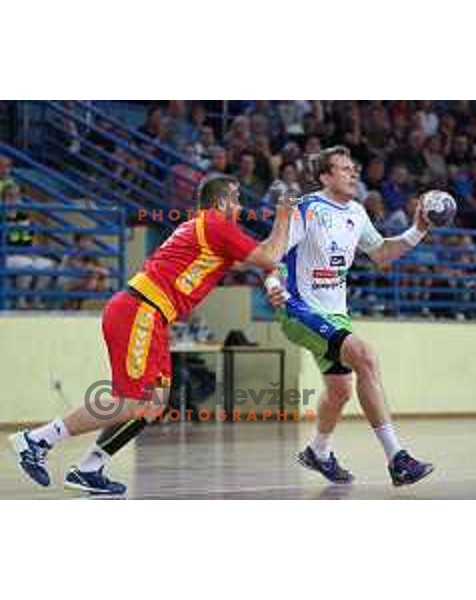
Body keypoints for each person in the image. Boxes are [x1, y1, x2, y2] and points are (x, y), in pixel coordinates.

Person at [10, 175, 292, 496]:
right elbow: (270, 256)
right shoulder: (216, 224)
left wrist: (273, 271)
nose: (241, 207)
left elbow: (256, 262)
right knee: (131, 403)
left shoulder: (205, 230)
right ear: (222, 203)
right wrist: (284, 216)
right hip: (140, 310)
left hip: (148, 314)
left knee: (153, 405)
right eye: (237, 199)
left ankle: (90, 468)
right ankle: (36, 440)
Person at [266, 146, 434, 486]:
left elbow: (383, 254)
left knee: (340, 390)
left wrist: (418, 229)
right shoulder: (308, 208)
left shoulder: (357, 212)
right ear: (325, 177)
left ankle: (318, 451)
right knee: (366, 358)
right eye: (344, 168)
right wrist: (272, 280)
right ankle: (397, 459)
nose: (353, 173)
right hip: (299, 309)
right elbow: (276, 249)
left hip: (335, 316)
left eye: (354, 168)